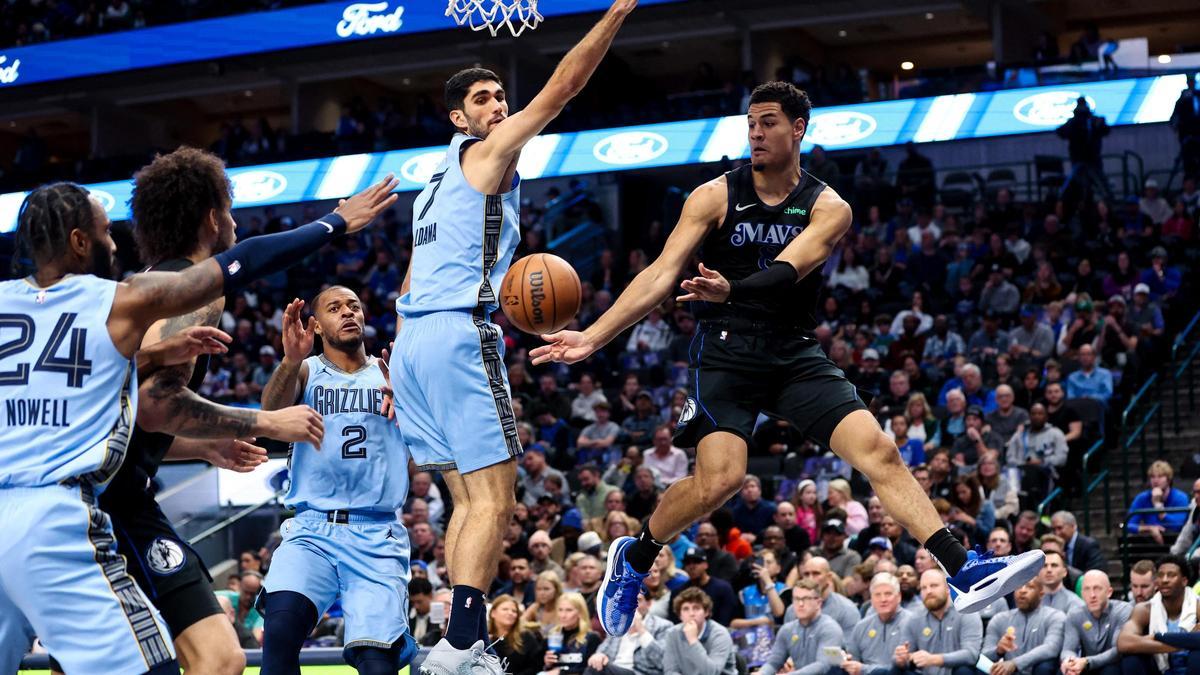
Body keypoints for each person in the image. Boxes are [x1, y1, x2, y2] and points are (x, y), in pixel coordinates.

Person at [532, 81, 1044, 637]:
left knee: (880, 450)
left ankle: (961, 566)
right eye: (751, 122)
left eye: (769, 121)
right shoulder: (713, 195)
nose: (756, 132)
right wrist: (594, 337)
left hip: (792, 349)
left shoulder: (828, 206)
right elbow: (660, 273)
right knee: (721, 480)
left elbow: (785, 271)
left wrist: (733, 288)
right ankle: (635, 555)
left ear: (799, 128)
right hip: (725, 352)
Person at [0, 174, 394, 675]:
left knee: (210, 658)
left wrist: (159, 375)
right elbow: (241, 264)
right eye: (103, 232)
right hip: (64, 513)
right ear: (79, 242)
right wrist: (334, 222)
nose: (113, 242)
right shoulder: (117, 300)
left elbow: (62, 377)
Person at [387, 4, 638, 671]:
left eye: (501, 95)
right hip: (458, 336)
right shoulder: (489, 151)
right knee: (497, 497)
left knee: (465, 501)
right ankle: (465, 643)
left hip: (412, 344)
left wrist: (392, 362)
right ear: (458, 119)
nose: (498, 105)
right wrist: (615, 14)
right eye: (482, 98)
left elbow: (409, 275)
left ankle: (452, 640)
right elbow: (563, 89)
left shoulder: (428, 187)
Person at [99, 147, 332, 675]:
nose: (231, 220)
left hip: (114, 493)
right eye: (228, 209)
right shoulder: (192, 291)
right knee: (218, 660)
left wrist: (203, 446)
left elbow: (130, 416)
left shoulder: (146, 285)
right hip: (112, 507)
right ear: (211, 217)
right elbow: (158, 405)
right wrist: (268, 420)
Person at [259, 287, 417, 675]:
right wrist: (289, 360)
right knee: (279, 632)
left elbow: (435, 437)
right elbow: (272, 417)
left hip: (376, 533)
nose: (348, 313)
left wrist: (412, 400)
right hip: (313, 529)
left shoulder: (393, 374)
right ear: (315, 325)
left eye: (354, 306)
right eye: (334, 308)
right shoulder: (308, 370)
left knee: (377, 664)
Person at [1116, 555, 1200, 674]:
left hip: (1191, 667)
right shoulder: (1145, 609)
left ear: (1184, 581)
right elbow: (1124, 642)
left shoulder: (1197, 605)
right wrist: (1186, 643)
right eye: (1160, 575)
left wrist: (1157, 637)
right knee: (1130, 660)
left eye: (1171, 575)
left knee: (1198, 654)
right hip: (1159, 669)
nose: (1164, 580)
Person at [896, 569, 983, 675]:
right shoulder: (914, 618)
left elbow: (971, 654)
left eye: (934, 586)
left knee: (964, 671)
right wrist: (901, 659)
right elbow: (903, 657)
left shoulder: (967, 612)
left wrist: (933, 659)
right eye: (924, 588)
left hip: (954, 672)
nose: (928, 591)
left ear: (948, 588)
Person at [757, 579, 845, 675]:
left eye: (806, 599)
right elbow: (773, 663)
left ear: (818, 603)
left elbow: (823, 665)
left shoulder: (830, 629)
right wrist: (762, 673)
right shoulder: (787, 630)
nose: (800, 604)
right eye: (796, 599)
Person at [982, 578, 1066, 675]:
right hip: (1007, 672)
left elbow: (1051, 648)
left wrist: (1015, 663)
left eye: (1030, 587)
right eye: (1018, 587)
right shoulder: (999, 619)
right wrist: (998, 650)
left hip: (1036, 670)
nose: (1022, 590)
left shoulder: (1055, 617)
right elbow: (984, 655)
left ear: (1041, 593)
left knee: (1045, 666)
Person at [1060, 570, 1131, 675]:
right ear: (1082, 594)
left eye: (1097, 589)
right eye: (1087, 589)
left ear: (1109, 592)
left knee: (1111, 671)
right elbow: (1068, 648)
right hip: (1084, 665)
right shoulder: (1075, 614)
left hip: (1113, 664)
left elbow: (1118, 651)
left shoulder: (1123, 610)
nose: (1092, 595)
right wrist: (1068, 661)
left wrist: (1087, 662)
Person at [586, 592, 670, 675]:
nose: (631, 605)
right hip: (613, 669)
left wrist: (641, 630)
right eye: (627, 601)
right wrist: (599, 655)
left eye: (637, 600)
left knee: (596, 669)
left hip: (639, 672)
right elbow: (604, 648)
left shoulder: (662, 626)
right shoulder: (617, 625)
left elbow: (661, 661)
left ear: (648, 604)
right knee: (595, 665)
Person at [845, 572, 912, 675]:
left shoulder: (912, 623)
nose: (883, 599)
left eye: (888, 594)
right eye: (877, 595)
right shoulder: (861, 626)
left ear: (899, 597)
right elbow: (853, 663)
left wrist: (864, 670)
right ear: (871, 599)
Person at [662, 588, 737, 675]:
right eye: (686, 609)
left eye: (696, 608)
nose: (691, 614)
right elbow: (670, 670)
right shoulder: (672, 634)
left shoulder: (720, 634)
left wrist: (693, 641)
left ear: (706, 612)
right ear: (680, 615)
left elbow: (712, 672)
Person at [670, 547, 739, 626]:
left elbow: (727, 619)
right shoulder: (678, 592)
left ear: (706, 565)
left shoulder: (723, 588)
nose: (692, 566)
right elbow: (675, 621)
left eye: (697, 562)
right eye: (687, 563)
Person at [1127, 461, 1191, 544]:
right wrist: (1149, 528)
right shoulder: (1142, 498)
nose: (1155, 480)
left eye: (1160, 476)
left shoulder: (1181, 497)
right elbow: (1128, 525)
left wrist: (1158, 507)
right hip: (1149, 542)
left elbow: (1177, 526)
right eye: (1152, 477)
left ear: (1168, 479)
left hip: (1175, 541)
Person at [545, 593, 604, 675]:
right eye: (560, 610)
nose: (563, 615)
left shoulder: (591, 638)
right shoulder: (552, 636)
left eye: (569, 610)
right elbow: (540, 668)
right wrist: (547, 664)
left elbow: (592, 669)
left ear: (580, 613)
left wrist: (562, 673)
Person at [489, 594, 546, 675]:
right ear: (493, 613)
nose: (510, 613)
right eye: (505, 609)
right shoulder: (484, 637)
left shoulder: (526, 637)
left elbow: (536, 666)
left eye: (514, 611)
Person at [1037, 551, 1084, 615]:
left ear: (1064, 572)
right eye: (1044, 566)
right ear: (1037, 572)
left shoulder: (1075, 603)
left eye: (1054, 565)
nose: (1049, 570)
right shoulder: (1029, 601)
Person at [1170, 479, 1200, 561]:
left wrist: (1190, 556)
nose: (1196, 496)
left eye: (1199, 492)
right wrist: (1174, 553)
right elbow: (1187, 533)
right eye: (1195, 492)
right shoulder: (1195, 507)